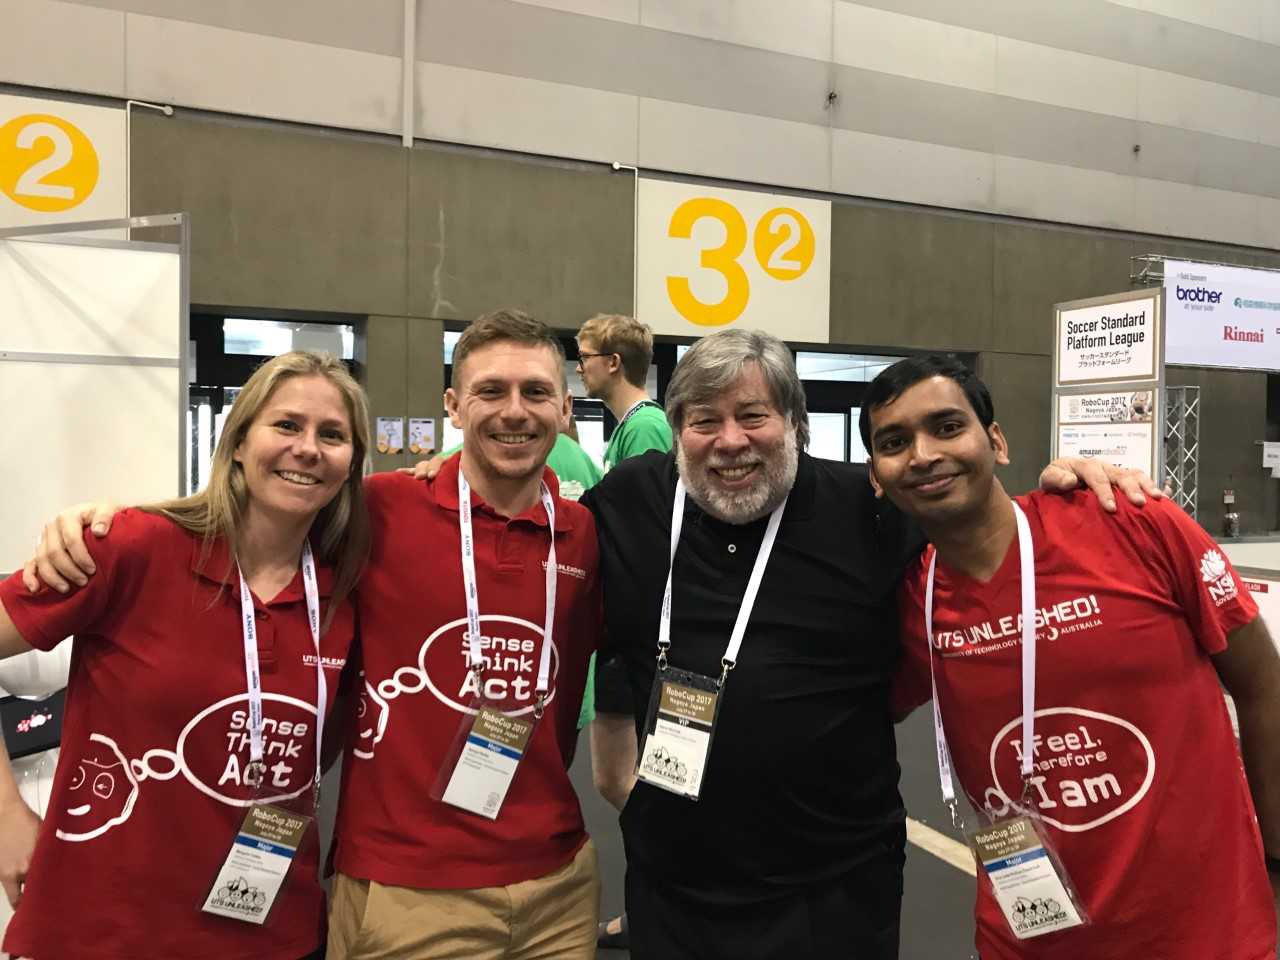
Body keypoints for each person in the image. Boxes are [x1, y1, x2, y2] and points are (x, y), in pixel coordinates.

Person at [861, 354, 1280, 959]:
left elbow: (1262, 683)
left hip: (1205, 934)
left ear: (997, 441)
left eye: (948, 427)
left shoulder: (1130, 522)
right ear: (877, 474)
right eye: (895, 442)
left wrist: (1276, 855)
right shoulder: (913, 600)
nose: (923, 454)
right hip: (1027, 941)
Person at [0, 350, 370, 960]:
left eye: (332, 435)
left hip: (275, 933)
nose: (308, 448)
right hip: (106, 931)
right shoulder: (132, 548)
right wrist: (7, 816)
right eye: (287, 425)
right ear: (239, 440)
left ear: (351, 463)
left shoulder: (345, 594)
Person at [324, 309, 603, 959]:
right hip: (408, 891)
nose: (515, 411)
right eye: (490, 391)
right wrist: (110, 520)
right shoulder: (379, 511)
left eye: (536, 392)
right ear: (452, 406)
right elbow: (245, 528)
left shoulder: (582, 534)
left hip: (557, 883)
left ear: (564, 409)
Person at [574, 313, 673, 949]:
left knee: (626, 778)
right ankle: (664, 894)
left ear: (612, 362)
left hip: (640, 635)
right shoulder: (625, 431)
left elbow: (651, 529)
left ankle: (666, 894)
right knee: (617, 777)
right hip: (622, 633)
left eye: (582, 356)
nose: (576, 366)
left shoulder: (648, 428)